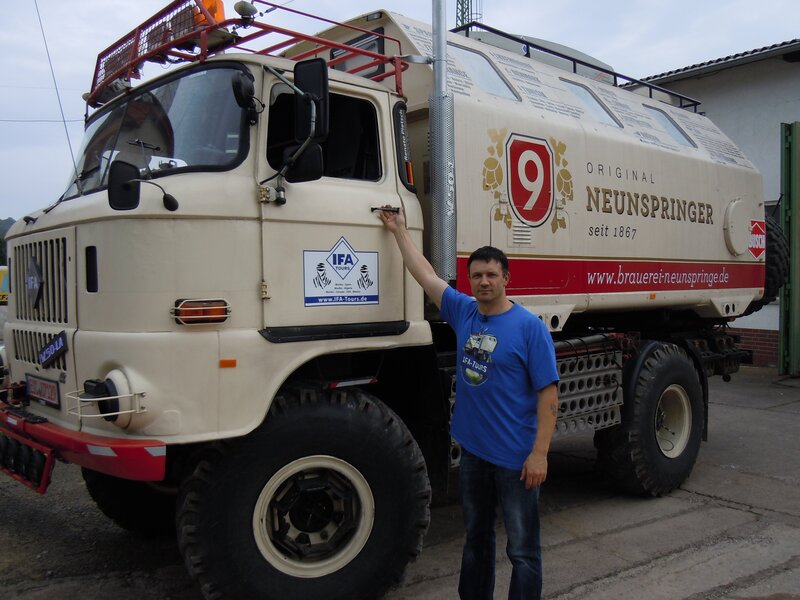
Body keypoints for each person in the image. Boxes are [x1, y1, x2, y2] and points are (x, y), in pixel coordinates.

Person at [378, 207, 559, 600]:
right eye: (477, 275)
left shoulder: (529, 328)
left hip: (516, 459)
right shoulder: (464, 312)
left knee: (522, 550)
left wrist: (539, 454)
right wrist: (399, 231)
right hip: (475, 454)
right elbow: (425, 274)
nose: (484, 281)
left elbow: (548, 394)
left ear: (506, 278)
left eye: (491, 275)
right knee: (476, 538)